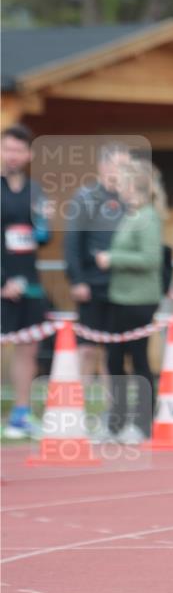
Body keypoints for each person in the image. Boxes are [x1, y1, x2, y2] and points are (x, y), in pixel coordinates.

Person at [94, 159, 164, 442]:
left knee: (137, 360)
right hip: (120, 298)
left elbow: (150, 259)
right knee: (113, 361)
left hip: (138, 300)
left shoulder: (148, 217)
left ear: (133, 186)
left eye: (122, 182)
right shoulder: (131, 215)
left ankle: (143, 423)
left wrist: (112, 258)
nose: (117, 188)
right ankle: (117, 421)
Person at [1, 124, 52, 438]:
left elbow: (41, 238)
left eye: (18, 150)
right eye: (7, 149)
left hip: (30, 281)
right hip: (2, 281)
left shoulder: (37, 191)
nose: (12, 156)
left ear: (29, 154)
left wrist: (45, 221)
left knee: (28, 349)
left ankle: (21, 413)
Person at [64, 142, 129, 381]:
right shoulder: (85, 197)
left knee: (115, 352)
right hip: (91, 285)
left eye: (127, 166)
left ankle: (112, 414)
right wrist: (77, 280)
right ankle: (78, 409)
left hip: (122, 287)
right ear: (103, 166)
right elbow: (72, 242)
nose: (123, 170)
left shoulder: (131, 198)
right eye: (119, 165)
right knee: (87, 349)